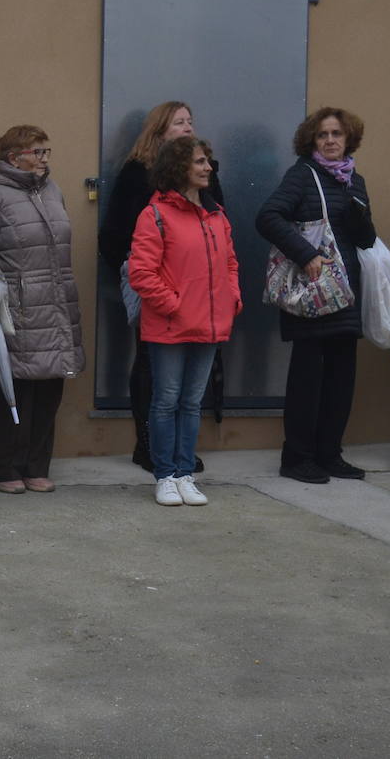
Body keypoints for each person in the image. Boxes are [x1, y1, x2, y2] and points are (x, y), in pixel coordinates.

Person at [99, 102, 223, 473]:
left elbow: (220, 227)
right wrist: (141, 273)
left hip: (199, 290)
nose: (187, 127)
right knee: (153, 367)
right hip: (154, 287)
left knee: (190, 378)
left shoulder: (206, 173)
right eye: (178, 122)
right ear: (160, 130)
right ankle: (149, 445)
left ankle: (178, 452)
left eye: (191, 120)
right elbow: (115, 234)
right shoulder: (138, 174)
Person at [256, 107, 376, 484]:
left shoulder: (354, 180)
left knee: (341, 379)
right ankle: (297, 458)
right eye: (322, 135)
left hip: (346, 294)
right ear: (312, 141)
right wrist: (306, 254)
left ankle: (329, 455)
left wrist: (361, 223)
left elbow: (365, 239)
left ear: (348, 139)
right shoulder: (302, 176)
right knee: (308, 380)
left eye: (336, 134)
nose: (330, 141)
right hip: (312, 295)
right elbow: (268, 217)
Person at [128, 137, 241, 506]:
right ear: (179, 169)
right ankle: (164, 476)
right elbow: (142, 274)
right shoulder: (155, 214)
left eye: (207, 161)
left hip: (209, 326)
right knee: (165, 401)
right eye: (199, 161)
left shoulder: (216, 215)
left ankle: (184, 473)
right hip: (171, 326)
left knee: (192, 403)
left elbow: (230, 264)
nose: (208, 167)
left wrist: (231, 298)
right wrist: (175, 306)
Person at [0, 125, 85, 494]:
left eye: (45, 152)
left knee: (51, 386)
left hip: (56, 301)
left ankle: (37, 465)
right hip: (18, 307)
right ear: (13, 157)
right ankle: (3, 467)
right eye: (36, 152)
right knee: (16, 387)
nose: (43, 159)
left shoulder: (51, 190)